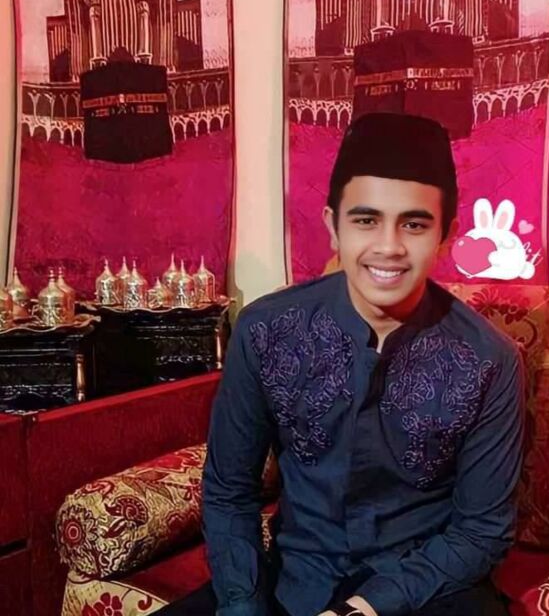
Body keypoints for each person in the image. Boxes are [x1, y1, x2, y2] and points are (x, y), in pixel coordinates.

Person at [157, 112, 524, 616]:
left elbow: (480, 532)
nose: (389, 247)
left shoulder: (488, 360)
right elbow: (229, 489)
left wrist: (363, 608)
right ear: (333, 226)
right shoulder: (265, 331)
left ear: (446, 235)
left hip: (421, 591)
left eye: (414, 224)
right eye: (366, 220)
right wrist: (242, 604)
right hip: (293, 578)